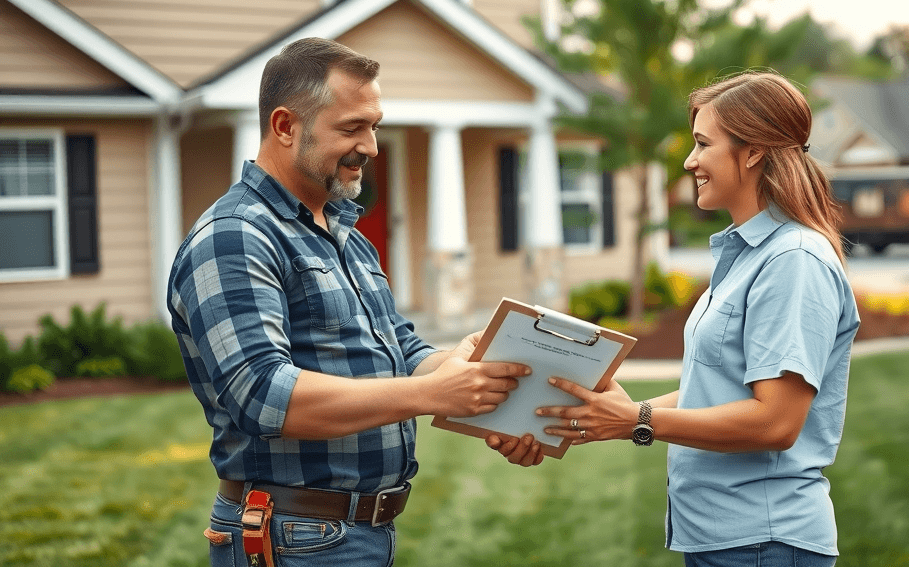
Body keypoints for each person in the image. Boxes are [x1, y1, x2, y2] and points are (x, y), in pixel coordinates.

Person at [168, 37, 541, 567]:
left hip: (354, 533)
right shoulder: (235, 235)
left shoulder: (345, 233)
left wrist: (472, 370)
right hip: (291, 536)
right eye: (351, 128)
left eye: (374, 126)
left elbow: (400, 350)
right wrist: (432, 393)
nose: (371, 146)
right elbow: (262, 393)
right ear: (285, 126)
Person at [496, 71, 861, 566]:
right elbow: (719, 388)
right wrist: (618, 415)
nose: (690, 161)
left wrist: (640, 420)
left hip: (762, 542)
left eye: (703, 144)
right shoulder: (750, 254)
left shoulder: (793, 259)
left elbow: (775, 422)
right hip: (725, 538)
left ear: (753, 151)